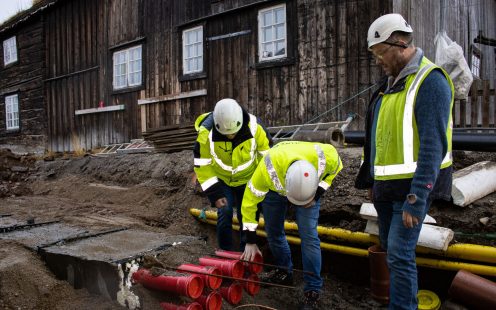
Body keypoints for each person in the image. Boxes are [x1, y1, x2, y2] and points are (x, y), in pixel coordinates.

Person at [355, 14, 454, 310]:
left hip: (411, 191)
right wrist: (371, 180)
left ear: (399, 44)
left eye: (381, 53)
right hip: (386, 190)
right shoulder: (389, 86)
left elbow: (433, 146)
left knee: (399, 254)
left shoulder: (429, 81)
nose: (378, 60)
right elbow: (376, 138)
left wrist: (417, 197)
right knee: (390, 250)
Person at [240, 141, 343, 310]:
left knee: (309, 237)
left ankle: (312, 290)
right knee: (273, 232)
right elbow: (249, 203)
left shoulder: (326, 157)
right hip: (274, 190)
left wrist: (316, 194)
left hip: (310, 193)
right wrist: (250, 240)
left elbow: (336, 168)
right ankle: (284, 272)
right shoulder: (266, 170)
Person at [193, 98, 271, 251]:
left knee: (247, 214)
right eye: (227, 134)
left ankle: (246, 251)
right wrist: (214, 194)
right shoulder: (205, 134)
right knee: (225, 213)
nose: (231, 136)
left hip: (248, 179)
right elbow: (202, 164)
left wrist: (261, 185)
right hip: (222, 180)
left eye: (234, 132)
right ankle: (226, 253)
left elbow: (267, 157)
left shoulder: (255, 127)